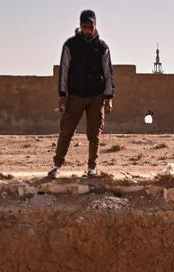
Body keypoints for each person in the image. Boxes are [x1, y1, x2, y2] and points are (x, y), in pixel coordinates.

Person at [48, 10, 115, 179]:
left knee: (94, 135)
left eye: (90, 27)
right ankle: (56, 166)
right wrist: (62, 95)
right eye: (84, 27)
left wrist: (108, 97)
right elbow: (64, 70)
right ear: (80, 26)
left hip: (96, 96)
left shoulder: (102, 47)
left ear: (95, 25)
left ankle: (92, 168)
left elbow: (108, 73)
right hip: (76, 96)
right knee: (66, 132)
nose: (87, 30)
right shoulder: (71, 45)